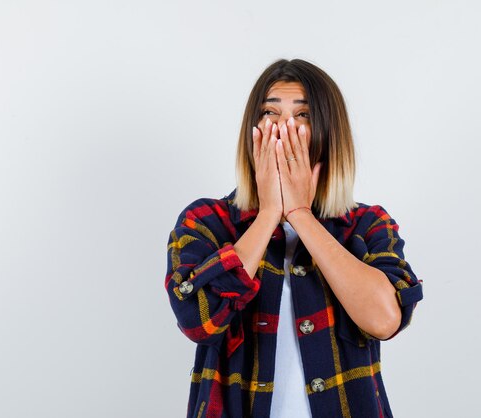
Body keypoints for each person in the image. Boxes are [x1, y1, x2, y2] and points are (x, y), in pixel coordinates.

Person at [164, 58, 424, 418]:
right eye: (271, 112)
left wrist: (300, 214)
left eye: (302, 115)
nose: (285, 127)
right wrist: (270, 211)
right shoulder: (207, 220)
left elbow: (384, 320)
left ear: (328, 132)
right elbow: (197, 321)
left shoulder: (366, 224)